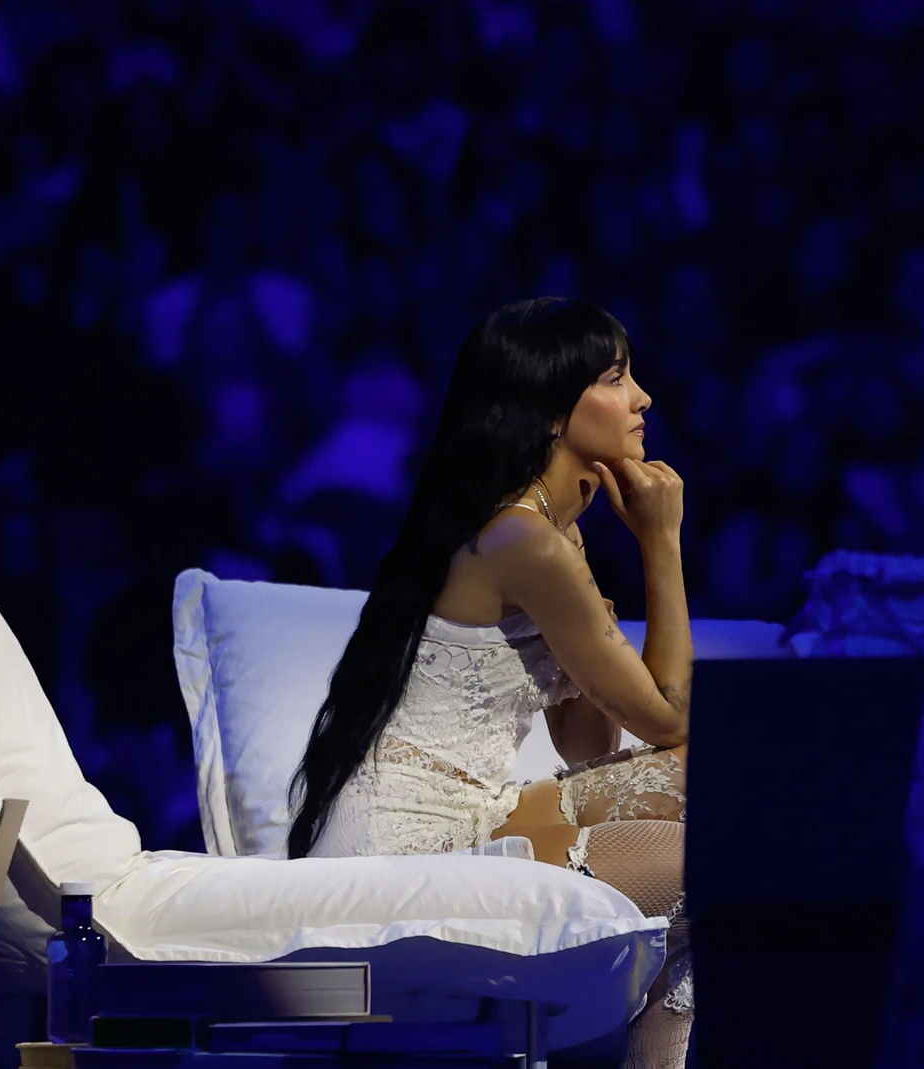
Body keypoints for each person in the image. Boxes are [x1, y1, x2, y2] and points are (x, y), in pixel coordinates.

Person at [287, 297, 694, 1068]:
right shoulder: (523, 540)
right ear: (550, 413)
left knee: (715, 811)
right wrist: (661, 543)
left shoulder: (548, 535)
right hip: (407, 849)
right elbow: (670, 716)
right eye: (616, 378)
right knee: (708, 860)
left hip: (478, 811)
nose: (642, 399)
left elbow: (583, 743)